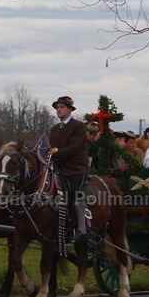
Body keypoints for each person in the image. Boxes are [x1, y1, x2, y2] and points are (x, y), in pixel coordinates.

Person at [48, 96, 91, 239]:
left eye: (61, 107)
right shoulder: (54, 129)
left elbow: (73, 148)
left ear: (69, 109)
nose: (58, 110)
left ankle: (81, 228)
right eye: (57, 107)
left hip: (76, 168)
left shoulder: (78, 126)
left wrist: (54, 155)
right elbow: (49, 148)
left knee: (73, 194)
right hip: (58, 169)